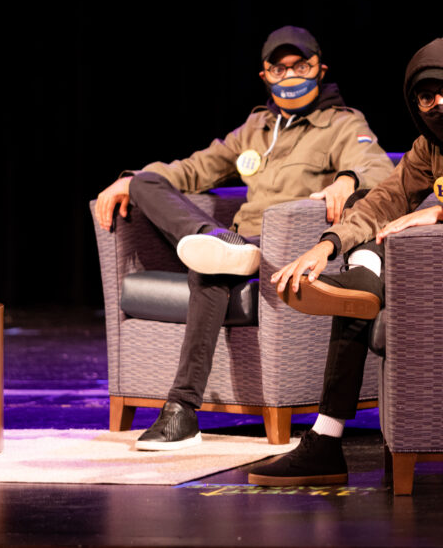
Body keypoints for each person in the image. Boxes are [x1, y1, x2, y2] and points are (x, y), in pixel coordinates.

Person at [248, 36, 443, 485]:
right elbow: (382, 201)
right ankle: (325, 437)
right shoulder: (430, 147)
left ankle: (327, 435)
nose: (440, 104)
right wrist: (326, 245)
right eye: (427, 96)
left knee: (394, 246)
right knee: (371, 253)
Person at [94, 26, 394, 450]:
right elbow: (195, 169)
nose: (291, 75)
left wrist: (346, 180)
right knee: (149, 184)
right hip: (239, 244)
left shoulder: (342, 124)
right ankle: (211, 237)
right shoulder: (256, 126)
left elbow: (379, 170)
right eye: (280, 67)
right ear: (265, 76)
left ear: (320, 69)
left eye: (301, 66)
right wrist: (130, 182)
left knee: (208, 269)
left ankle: (181, 410)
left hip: (287, 247)